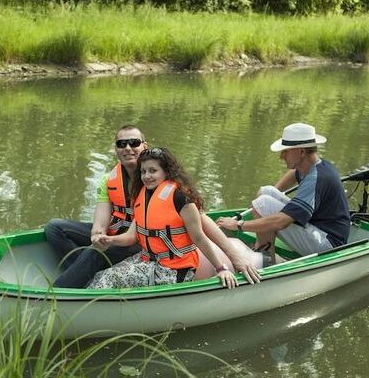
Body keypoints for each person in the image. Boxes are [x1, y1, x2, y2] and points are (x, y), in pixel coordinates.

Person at [45, 125, 261, 288]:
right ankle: (81, 273)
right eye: (122, 144)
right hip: (125, 238)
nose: (128, 148)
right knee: (56, 228)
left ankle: (62, 292)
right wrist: (100, 237)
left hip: (153, 248)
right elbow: (101, 223)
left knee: (94, 256)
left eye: (134, 143)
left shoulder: (169, 192)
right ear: (116, 149)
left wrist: (232, 259)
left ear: (144, 147)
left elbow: (201, 230)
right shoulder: (114, 182)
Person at [87, 147, 243, 290]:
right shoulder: (143, 196)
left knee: (108, 277)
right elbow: (130, 236)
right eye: (143, 171)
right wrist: (110, 240)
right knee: (104, 274)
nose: (146, 176)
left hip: (174, 270)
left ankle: (90, 315)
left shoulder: (181, 199)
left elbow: (199, 238)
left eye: (153, 171)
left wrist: (221, 268)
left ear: (166, 172)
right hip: (149, 260)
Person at [216, 123, 350, 257]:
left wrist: (238, 225)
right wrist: (272, 195)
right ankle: (265, 249)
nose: (281, 156)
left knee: (263, 203)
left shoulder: (316, 178)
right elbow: (293, 173)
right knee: (265, 192)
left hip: (328, 244)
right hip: (316, 226)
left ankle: (265, 259)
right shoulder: (312, 165)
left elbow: (281, 222)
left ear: (302, 151)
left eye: (286, 151)